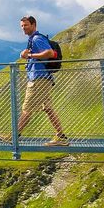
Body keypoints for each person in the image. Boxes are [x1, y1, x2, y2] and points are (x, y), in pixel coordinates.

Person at [17, 15, 68, 146]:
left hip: (38, 78)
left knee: (27, 108)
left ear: (34, 25)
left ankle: (14, 136)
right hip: (43, 77)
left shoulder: (37, 38)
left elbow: (49, 53)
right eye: (22, 26)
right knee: (48, 108)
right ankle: (60, 137)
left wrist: (28, 55)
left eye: (26, 25)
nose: (23, 28)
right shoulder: (33, 39)